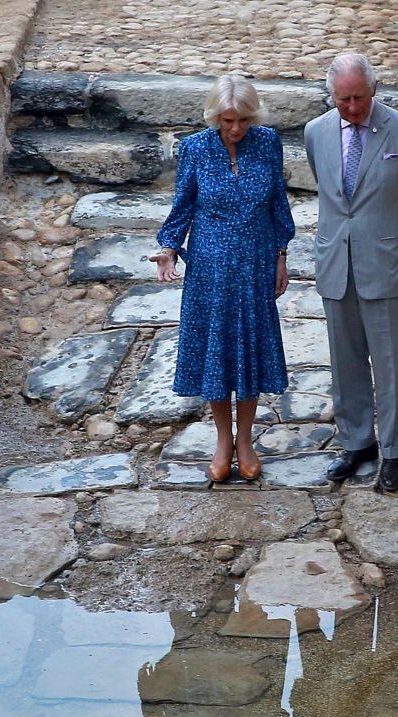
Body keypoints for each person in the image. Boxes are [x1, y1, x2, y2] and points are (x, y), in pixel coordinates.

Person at [151, 75, 295, 482]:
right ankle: (222, 440)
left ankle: (245, 440)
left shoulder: (267, 142)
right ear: (215, 116)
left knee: (249, 350)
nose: (236, 129)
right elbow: (183, 205)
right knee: (217, 352)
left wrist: (281, 256)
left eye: (244, 120)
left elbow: (278, 205)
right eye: (228, 120)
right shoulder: (195, 148)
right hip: (210, 269)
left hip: (255, 263)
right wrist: (169, 247)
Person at [304, 53, 398, 493]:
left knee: (392, 364)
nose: (353, 107)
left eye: (359, 97)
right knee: (345, 360)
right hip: (337, 263)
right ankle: (357, 442)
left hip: (388, 266)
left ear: (374, 90)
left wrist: (383, 235)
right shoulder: (316, 131)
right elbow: (328, 187)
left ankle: (394, 452)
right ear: (332, 96)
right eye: (343, 99)